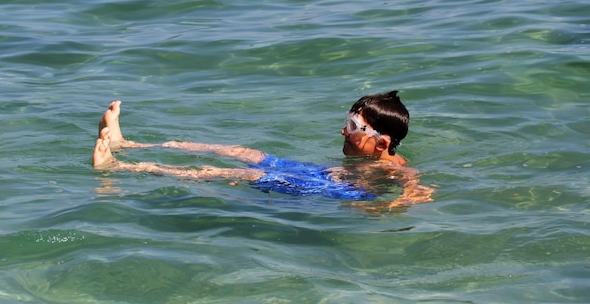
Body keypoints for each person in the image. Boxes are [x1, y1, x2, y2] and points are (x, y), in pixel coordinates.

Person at [92, 91, 434, 209]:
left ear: (383, 143)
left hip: (333, 189)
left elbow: (416, 188)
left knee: (246, 172)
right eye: (346, 121)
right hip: (319, 173)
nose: (342, 131)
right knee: (247, 152)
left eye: (354, 128)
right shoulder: (370, 154)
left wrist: (396, 203)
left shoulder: (394, 167)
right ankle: (128, 144)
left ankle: (120, 168)